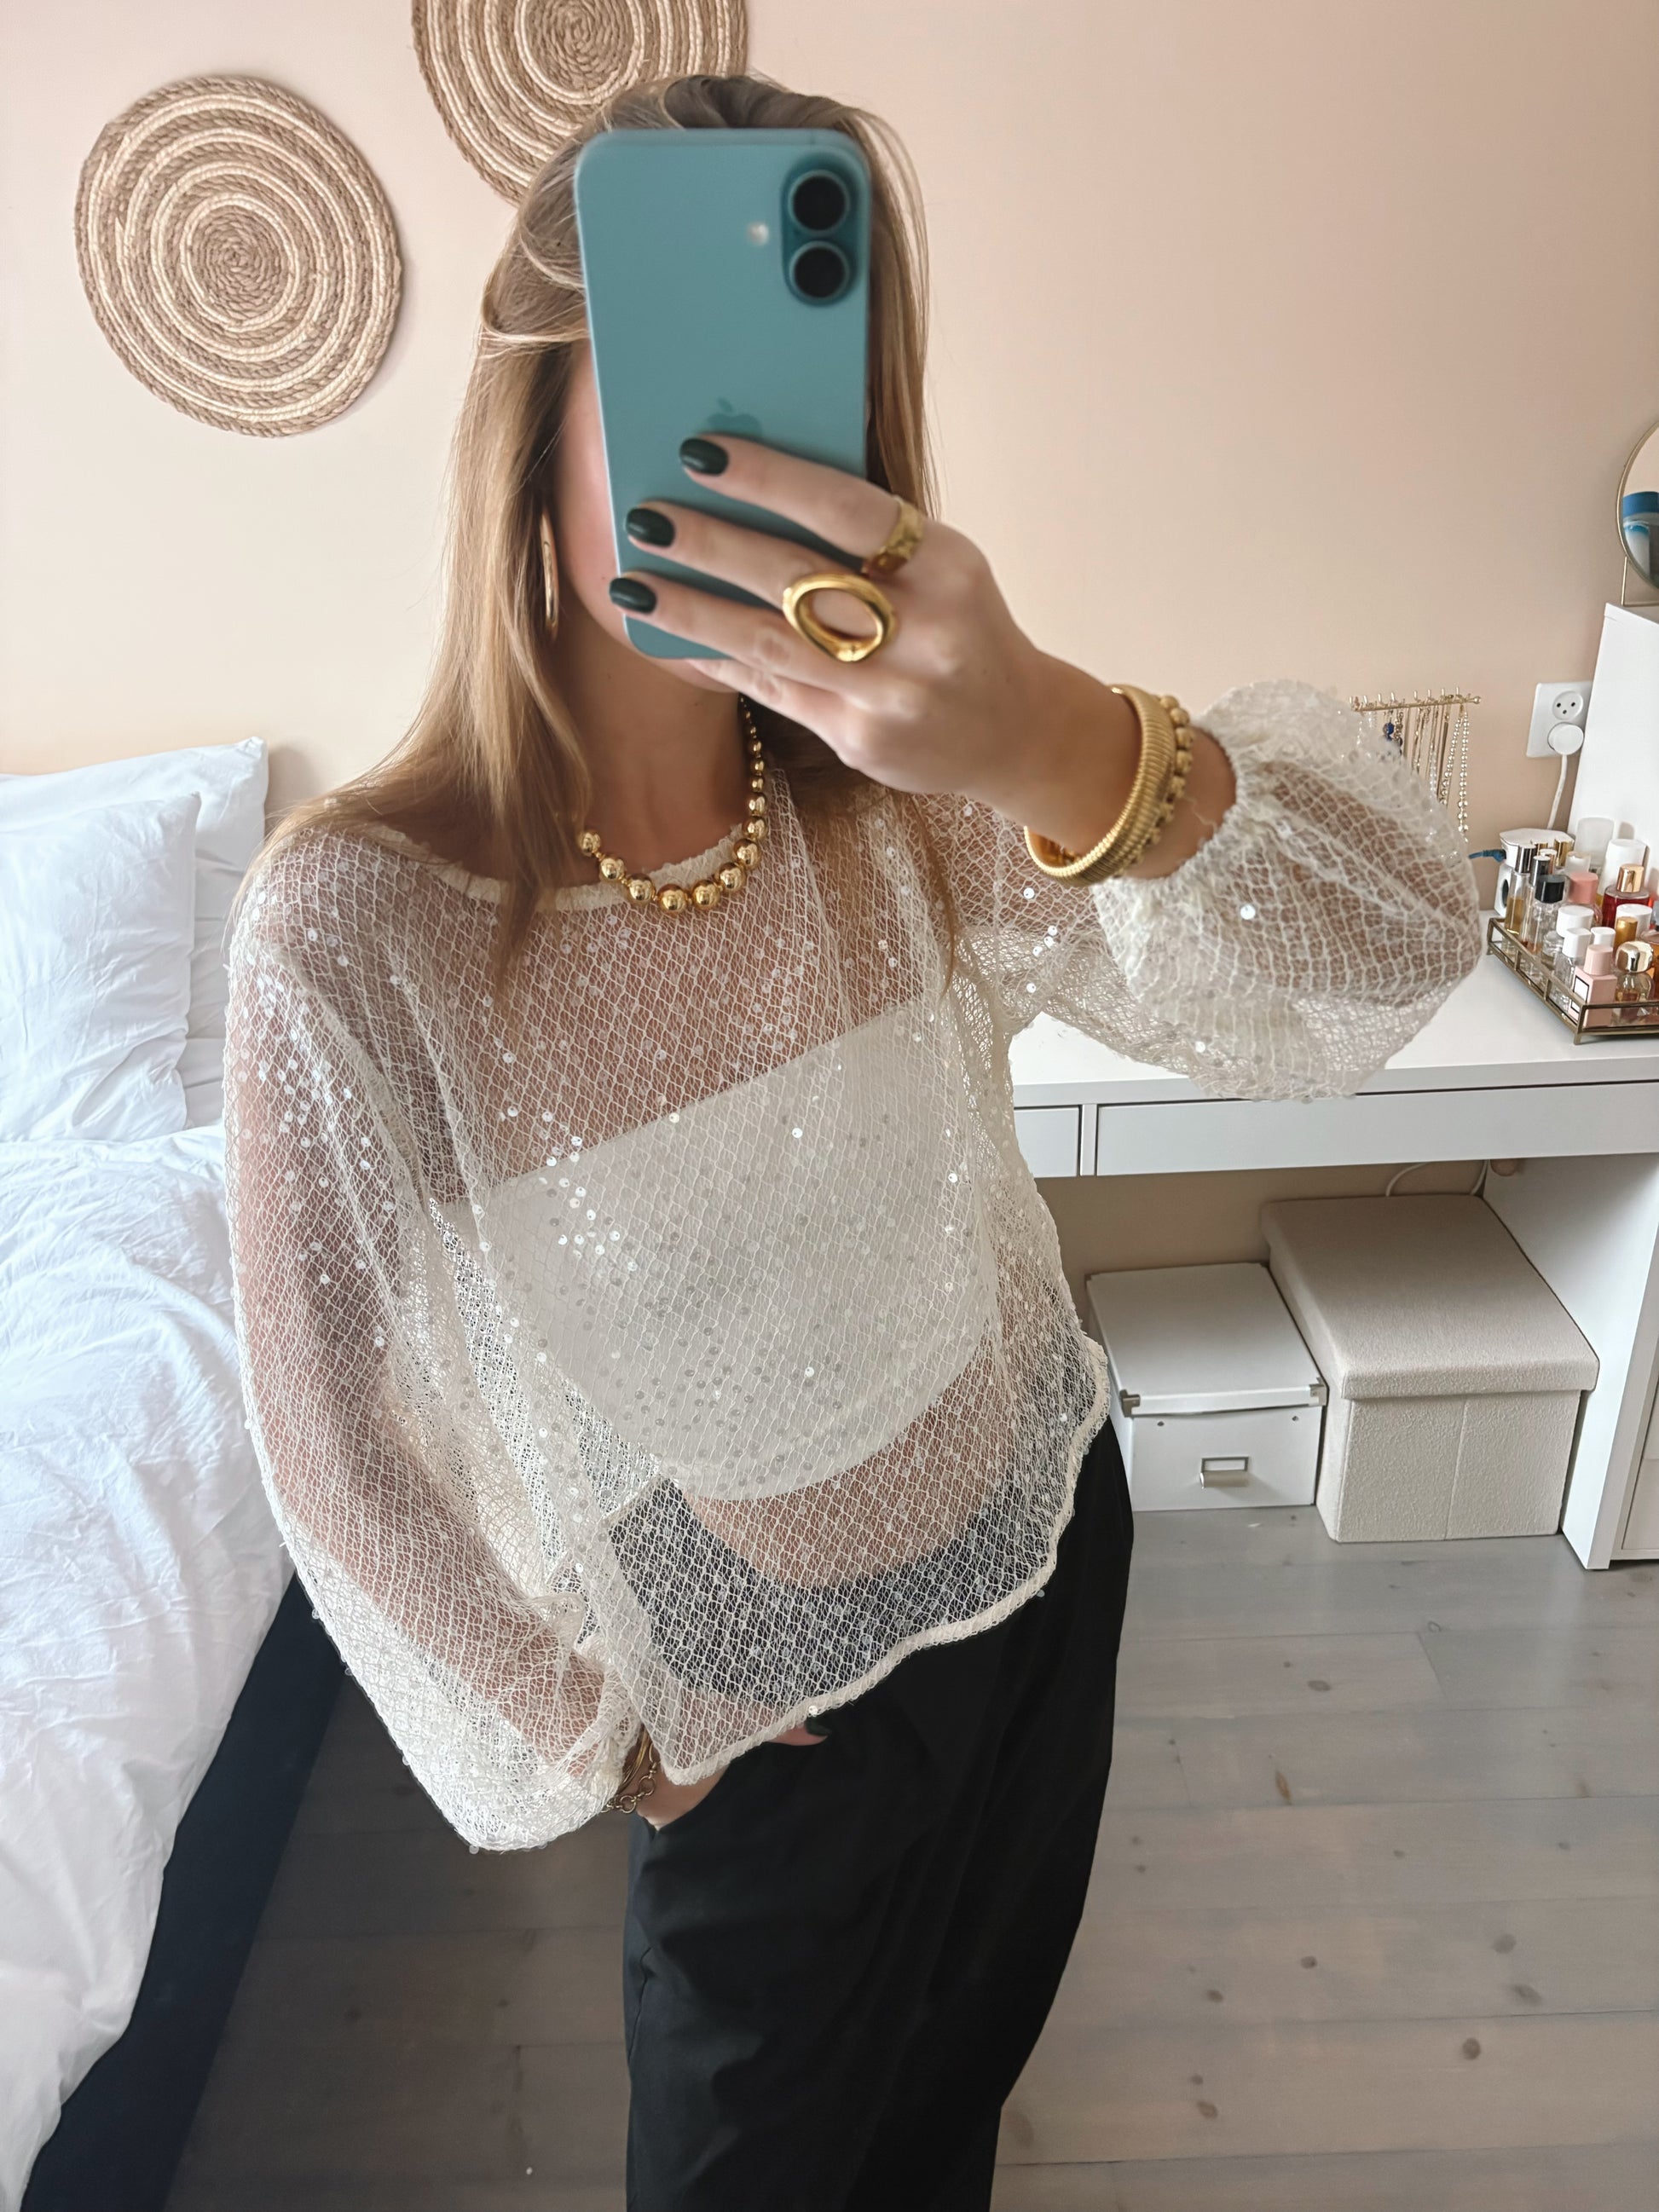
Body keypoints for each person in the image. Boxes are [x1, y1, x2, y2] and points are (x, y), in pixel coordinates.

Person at [222, 71, 1481, 2212]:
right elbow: (323, 1423)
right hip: (759, 1723)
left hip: (1045, 1559)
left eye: (816, 400)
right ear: (530, 423)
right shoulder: (362, 924)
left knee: (945, 2120)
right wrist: (601, 1729)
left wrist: (1067, 737)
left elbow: (1400, 944)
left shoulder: (915, 804)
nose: (764, 463)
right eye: (682, 391)